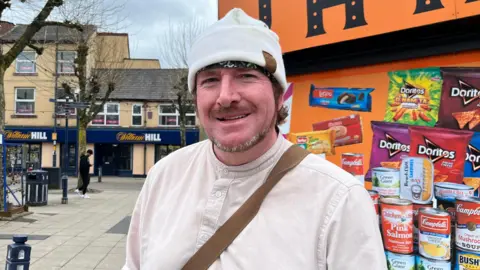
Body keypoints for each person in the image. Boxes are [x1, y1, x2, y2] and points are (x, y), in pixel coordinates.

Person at [123, 8, 386, 270]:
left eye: (246, 76)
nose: (225, 97)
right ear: (196, 98)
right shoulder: (164, 175)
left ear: (279, 95)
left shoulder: (340, 199)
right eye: (210, 80)